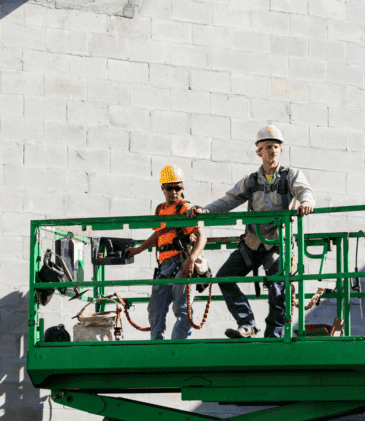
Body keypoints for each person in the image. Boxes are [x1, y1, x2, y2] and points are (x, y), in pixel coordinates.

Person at [188, 125, 315, 339]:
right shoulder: (251, 181)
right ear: (259, 152)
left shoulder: (290, 176)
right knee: (224, 277)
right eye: (267, 147)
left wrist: (306, 202)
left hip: (278, 244)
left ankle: (275, 332)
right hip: (252, 243)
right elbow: (229, 200)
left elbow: (305, 191)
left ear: (281, 150)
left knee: (278, 287)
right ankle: (246, 325)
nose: (272, 151)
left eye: (276, 146)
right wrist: (205, 211)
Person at [125, 165, 207, 340]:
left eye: (178, 188)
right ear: (162, 188)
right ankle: (157, 345)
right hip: (164, 267)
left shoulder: (186, 209)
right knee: (156, 308)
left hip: (181, 262)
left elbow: (202, 237)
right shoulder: (160, 209)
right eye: (170, 188)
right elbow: (159, 234)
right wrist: (138, 250)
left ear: (182, 188)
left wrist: (191, 260)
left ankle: (177, 347)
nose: (174, 192)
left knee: (182, 308)